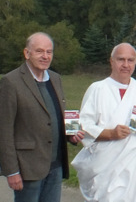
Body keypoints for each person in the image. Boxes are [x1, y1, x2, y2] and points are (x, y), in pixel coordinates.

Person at [71, 43, 136, 201]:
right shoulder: (97, 89)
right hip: (107, 167)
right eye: (121, 59)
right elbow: (83, 126)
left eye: (130, 60)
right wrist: (110, 134)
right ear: (111, 61)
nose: (126, 65)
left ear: (135, 63)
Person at [0, 32, 82, 202]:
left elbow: (56, 115)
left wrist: (71, 134)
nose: (45, 56)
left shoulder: (56, 78)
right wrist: (11, 171)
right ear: (26, 53)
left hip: (55, 166)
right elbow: (4, 130)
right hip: (27, 168)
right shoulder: (11, 81)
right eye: (39, 51)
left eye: (49, 52)